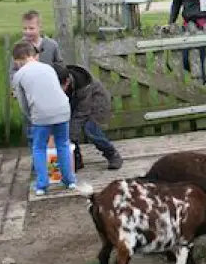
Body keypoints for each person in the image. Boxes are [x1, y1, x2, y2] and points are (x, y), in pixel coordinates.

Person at [11, 41, 77, 196]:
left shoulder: (18, 75)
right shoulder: (48, 68)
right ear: (33, 55)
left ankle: (42, 184)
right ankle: (70, 180)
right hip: (62, 110)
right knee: (63, 144)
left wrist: (31, 117)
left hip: (41, 114)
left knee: (39, 147)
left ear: (19, 60)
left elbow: (23, 103)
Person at [9, 10, 65, 156]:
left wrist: (61, 86)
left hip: (50, 95)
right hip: (30, 96)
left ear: (40, 27)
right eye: (25, 28)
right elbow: (13, 71)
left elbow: (59, 66)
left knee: (54, 130)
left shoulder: (51, 45)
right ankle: (37, 159)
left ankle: (54, 159)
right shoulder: (19, 47)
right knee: (32, 129)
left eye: (31, 28)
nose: (27, 32)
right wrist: (15, 89)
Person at [50, 63, 124, 170]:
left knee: (90, 129)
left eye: (59, 88)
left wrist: (70, 137)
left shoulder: (84, 85)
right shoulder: (61, 81)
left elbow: (81, 114)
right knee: (68, 126)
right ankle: (76, 160)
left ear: (67, 82)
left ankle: (112, 155)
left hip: (97, 103)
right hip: (76, 102)